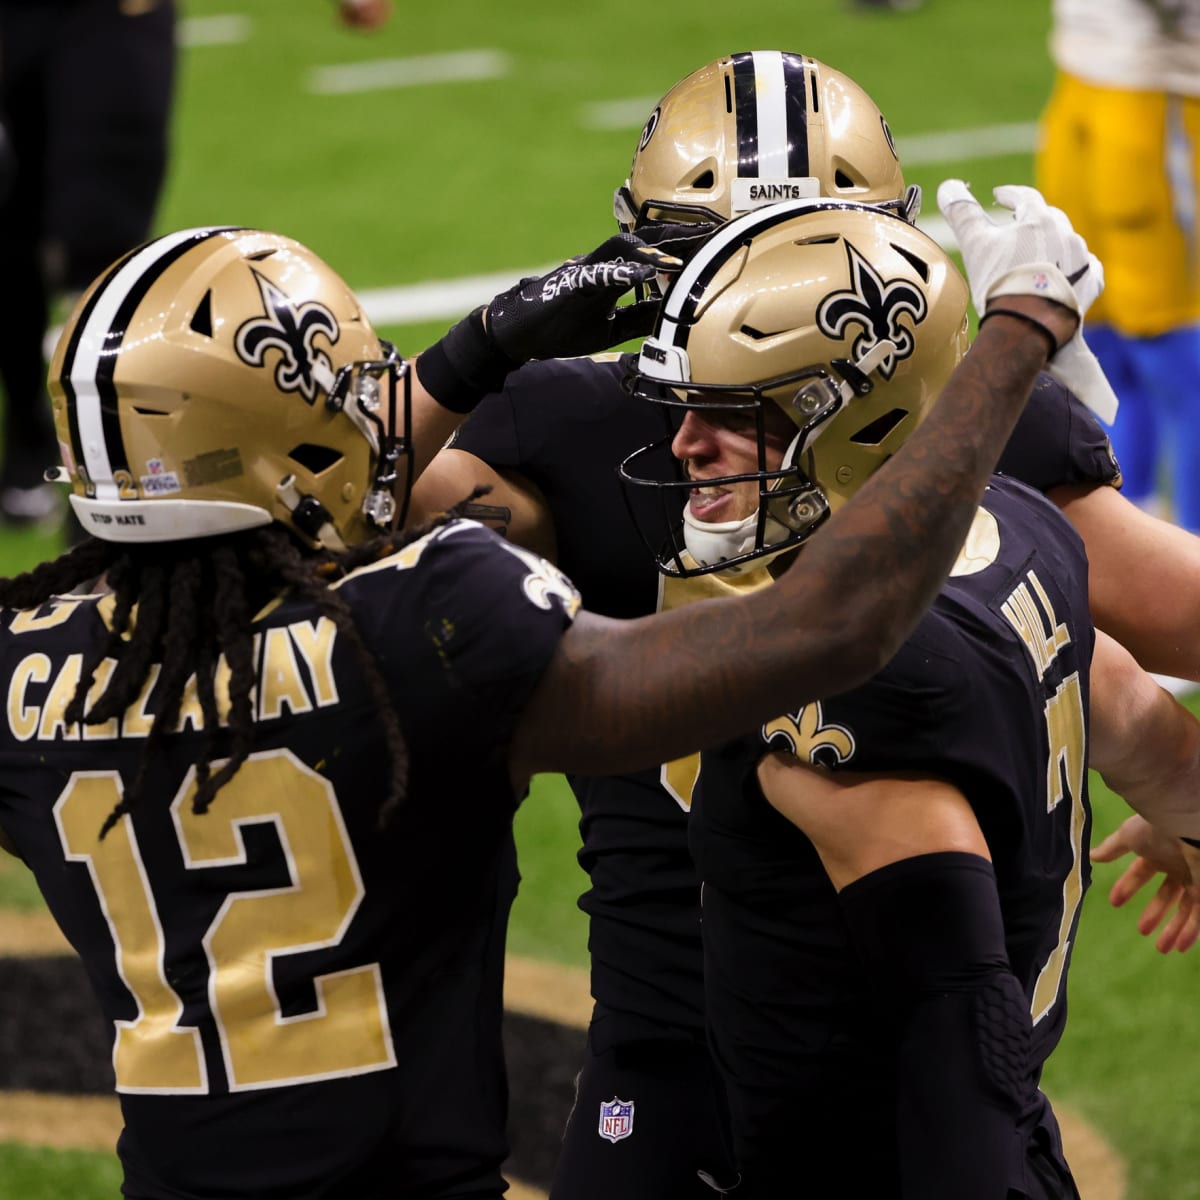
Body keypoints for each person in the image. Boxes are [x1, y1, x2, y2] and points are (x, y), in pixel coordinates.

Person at [0, 198, 1089, 1198]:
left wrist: (482, 349)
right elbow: (834, 625)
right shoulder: (423, 628)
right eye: (356, 387)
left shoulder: (22, 671)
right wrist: (1018, 329)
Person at [408, 51, 1124, 1200]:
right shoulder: (984, 427)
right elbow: (1136, 663)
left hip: (794, 1047)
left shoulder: (575, 418)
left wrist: (482, 344)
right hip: (829, 1052)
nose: (689, 443)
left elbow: (338, 513)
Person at [624, 188, 1200, 1198]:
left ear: (858, 416)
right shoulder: (1022, 524)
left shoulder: (850, 685)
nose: (686, 447)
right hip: (1014, 1141)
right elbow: (1145, 729)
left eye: (731, 418)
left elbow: (958, 1019)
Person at [0, 0, 176, 527]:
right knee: (9, 237)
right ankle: (29, 437)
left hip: (113, 14)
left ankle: (102, 477)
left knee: (102, 242)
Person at [1037, 0, 1200, 528]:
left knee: (1170, 346)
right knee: (1090, 334)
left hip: (1163, 88)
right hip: (1082, 73)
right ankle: (1133, 517)